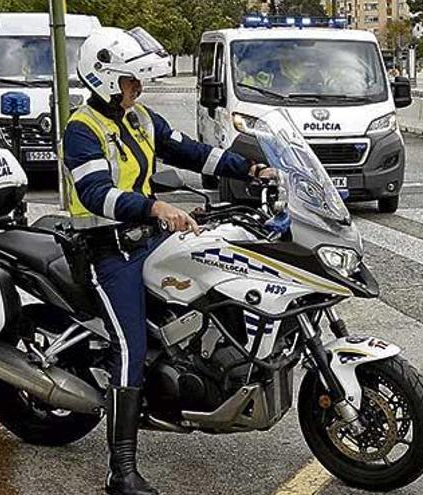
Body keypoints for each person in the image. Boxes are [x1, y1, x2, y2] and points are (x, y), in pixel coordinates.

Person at [64, 27, 274, 495]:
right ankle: (120, 472)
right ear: (104, 80)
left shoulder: (138, 117)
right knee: (130, 349)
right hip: (107, 251)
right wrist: (156, 207)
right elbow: (95, 193)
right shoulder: (82, 129)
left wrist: (251, 168)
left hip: (149, 241)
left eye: (137, 83)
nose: (136, 90)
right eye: (129, 83)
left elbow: (191, 151)